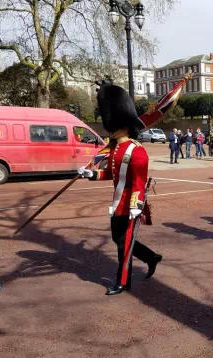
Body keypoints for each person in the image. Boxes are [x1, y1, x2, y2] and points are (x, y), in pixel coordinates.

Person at [77, 80, 162, 296]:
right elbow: (112, 174)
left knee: (123, 246)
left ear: (123, 125)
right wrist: (92, 174)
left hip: (131, 205)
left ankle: (123, 282)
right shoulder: (116, 149)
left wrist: (137, 205)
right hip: (117, 204)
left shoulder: (136, 150)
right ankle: (151, 257)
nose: (109, 129)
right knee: (119, 240)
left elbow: (138, 182)